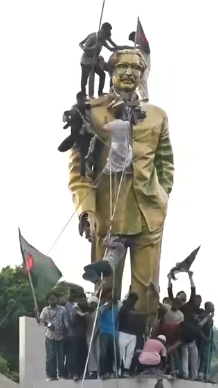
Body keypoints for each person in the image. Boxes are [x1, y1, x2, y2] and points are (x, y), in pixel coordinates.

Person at [69, 48, 174, 322]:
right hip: (107, 213)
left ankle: (142, 345)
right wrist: (86, 209)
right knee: (105, 290)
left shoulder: (157, 115)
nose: (129, 72)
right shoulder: (91, 111)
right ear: (111, 71)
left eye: (136, 68)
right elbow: (80, 171)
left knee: (147, 293)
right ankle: (102, 344)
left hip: (148, 213)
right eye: (123, 67)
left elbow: (165, 162)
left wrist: (162, 195)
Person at [79, 22, 131, 98]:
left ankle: (100, 92)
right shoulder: (92, 37)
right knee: (84, 80)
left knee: (102, 74)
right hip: (85, 62)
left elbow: (113, 48)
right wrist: (93, 48)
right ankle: (83, 95)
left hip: (93, 62)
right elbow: (82, 45)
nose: (105, 39)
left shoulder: (103, 40)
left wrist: (128, 48)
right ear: (102, 31)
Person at [118, 293, 152, 377]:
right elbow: (130, 313)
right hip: (123, 332)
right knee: (121, 353)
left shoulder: (133, 309)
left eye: (135, 301)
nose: (134, 302)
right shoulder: (123, 307)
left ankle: (126, 370)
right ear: (129, 299)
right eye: (133, 300)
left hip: (133, 334)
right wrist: (146, 314)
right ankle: (119, 370)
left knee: (130, 353)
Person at [39, 293, 65, 381]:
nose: (53, 301)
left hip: (61, 336)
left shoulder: (62, 309)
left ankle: (61, 374)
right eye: (51, 299)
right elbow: (41, 321)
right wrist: (49, 325)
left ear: (57, 299)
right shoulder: (45, 310)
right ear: (48, 301)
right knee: (50, 356)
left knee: (61, 356)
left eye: (54, 299)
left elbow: (65, 321)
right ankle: (51, 375)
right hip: (50, 336)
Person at [99, 296, 120, 379]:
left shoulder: (115, 310)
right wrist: (107, 305)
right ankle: (102, 372)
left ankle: (111, 371)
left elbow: (117, 322)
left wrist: (117, 333)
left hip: (113, 334)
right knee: (103, 353)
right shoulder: (102, 308)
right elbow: (101, 312)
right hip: (104, 333)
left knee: (113, 353)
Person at [69, 298, 89, 381]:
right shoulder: (75, 308)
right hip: (76, 336)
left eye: (84, 300)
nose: (84, 302)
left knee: (83, 354)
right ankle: (75, 373)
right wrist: (86, 314)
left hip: (83, 335)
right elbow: (80, 314)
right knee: (76, 355)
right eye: (81, 300)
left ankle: (83, 373)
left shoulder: (84, 308)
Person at [128, 30, 151, 102]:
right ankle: (141, 98)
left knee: (143, 80)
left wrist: (142, 45)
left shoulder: (144, 45)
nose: (134, 42)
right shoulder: (138, 49)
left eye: (133, 40)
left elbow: (147, 50)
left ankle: (145, 97)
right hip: (139, 68)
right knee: (137, 82)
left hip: (145, 67)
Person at [198, 302, 215, 381]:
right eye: (212, 306)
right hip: (204, 341)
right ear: (207, 307)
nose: (213, 308)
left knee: (208, 358)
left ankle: (206, 375)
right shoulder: (203, 316)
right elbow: (199, 328)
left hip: (209, 341)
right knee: (204, 358)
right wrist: (204, 338)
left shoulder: (210, 317)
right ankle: (200, 375)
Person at [85, 295, 100, 379]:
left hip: (96, 335)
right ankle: (93, 371)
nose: (92, 305)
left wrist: (94, 335)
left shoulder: (97, 312)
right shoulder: (88, 313)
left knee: (97, 353)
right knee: (91, 353)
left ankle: (98, 371)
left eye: (94, 303)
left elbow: (98, 325)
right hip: (89, 334)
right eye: (91, 303)